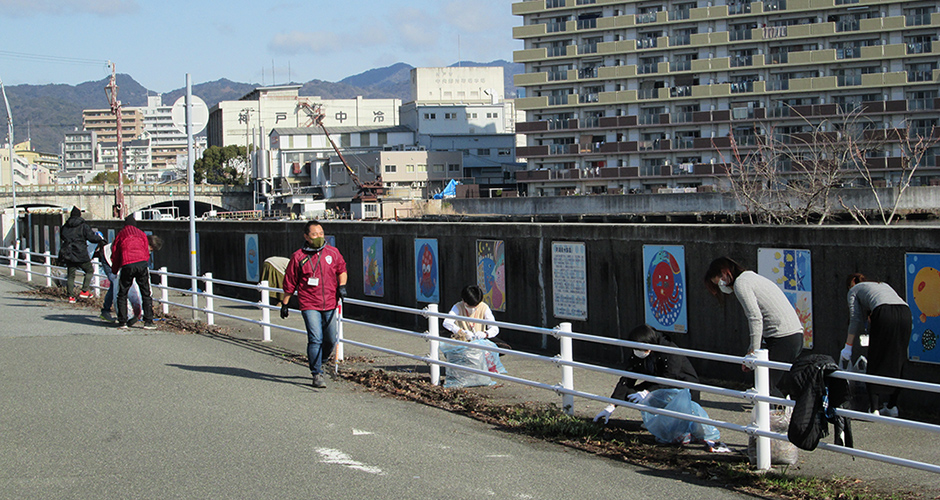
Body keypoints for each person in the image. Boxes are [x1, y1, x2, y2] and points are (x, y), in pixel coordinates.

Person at [703, 257, 803, 397]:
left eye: (720, 280)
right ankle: (780, 412)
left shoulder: (741, 284)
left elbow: (755, 318)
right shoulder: (751, 277)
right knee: (768, 382)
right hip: (791, 335)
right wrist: (752, 351)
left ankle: (781, 414)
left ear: (725, 271)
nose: (722, 284)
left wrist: (753, 353)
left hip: (783, 337)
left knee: (765, 385)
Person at [281, 221, 347, 388]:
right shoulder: (298, 257)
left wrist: (342, 287)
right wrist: (285, 303)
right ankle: (316, 373)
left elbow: (342, 270)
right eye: (314, 234)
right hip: (309, 303)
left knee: (331, 339)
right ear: (306, 237)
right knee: (315, 338)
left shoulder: (333, 252)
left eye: (321, 233)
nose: (319, 237)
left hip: (330, 301)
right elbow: (290, 281)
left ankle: (321, 361)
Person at [594, 325, 699, 424]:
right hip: (657, 382)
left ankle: (666, 421)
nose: (637, 352)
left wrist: (648, 392)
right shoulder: (638, 350)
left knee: (649, 397)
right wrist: (612, 405)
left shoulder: (669, 350)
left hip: (680, 385)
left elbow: (669, 378)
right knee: (630, 394)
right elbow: (628, 377)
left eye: (640, 349)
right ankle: (656, 420)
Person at [841, 273, 911, 417]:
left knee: (875, 359)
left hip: (884, 312)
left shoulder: (854, 290)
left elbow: (855, 319)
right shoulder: (881, 284)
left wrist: (848, 347)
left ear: (851, 284)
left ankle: (874, 409)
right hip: (905, 313)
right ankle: (892, 406)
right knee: (898, 358)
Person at [111, 215, 157, 330]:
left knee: (122, 293)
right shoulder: (142, 234)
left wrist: (115, 270)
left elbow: (116, 253)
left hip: (127, 264)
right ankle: (149, 321)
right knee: (146, 293)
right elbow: (146, 252)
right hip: (141, 264)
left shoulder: (121, 234)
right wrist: (144, 263)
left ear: (125, 225)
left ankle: (123, 321)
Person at [59, 206, 106, 303]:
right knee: (89, 270)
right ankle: (84, 290)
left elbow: (62, 237)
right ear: (79, 215)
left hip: (68, 253)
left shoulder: (65, 226)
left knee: (71, 275)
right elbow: (91, 238)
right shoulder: (83, 226)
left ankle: (70, 296)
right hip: (80, 252)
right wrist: (100, 239)